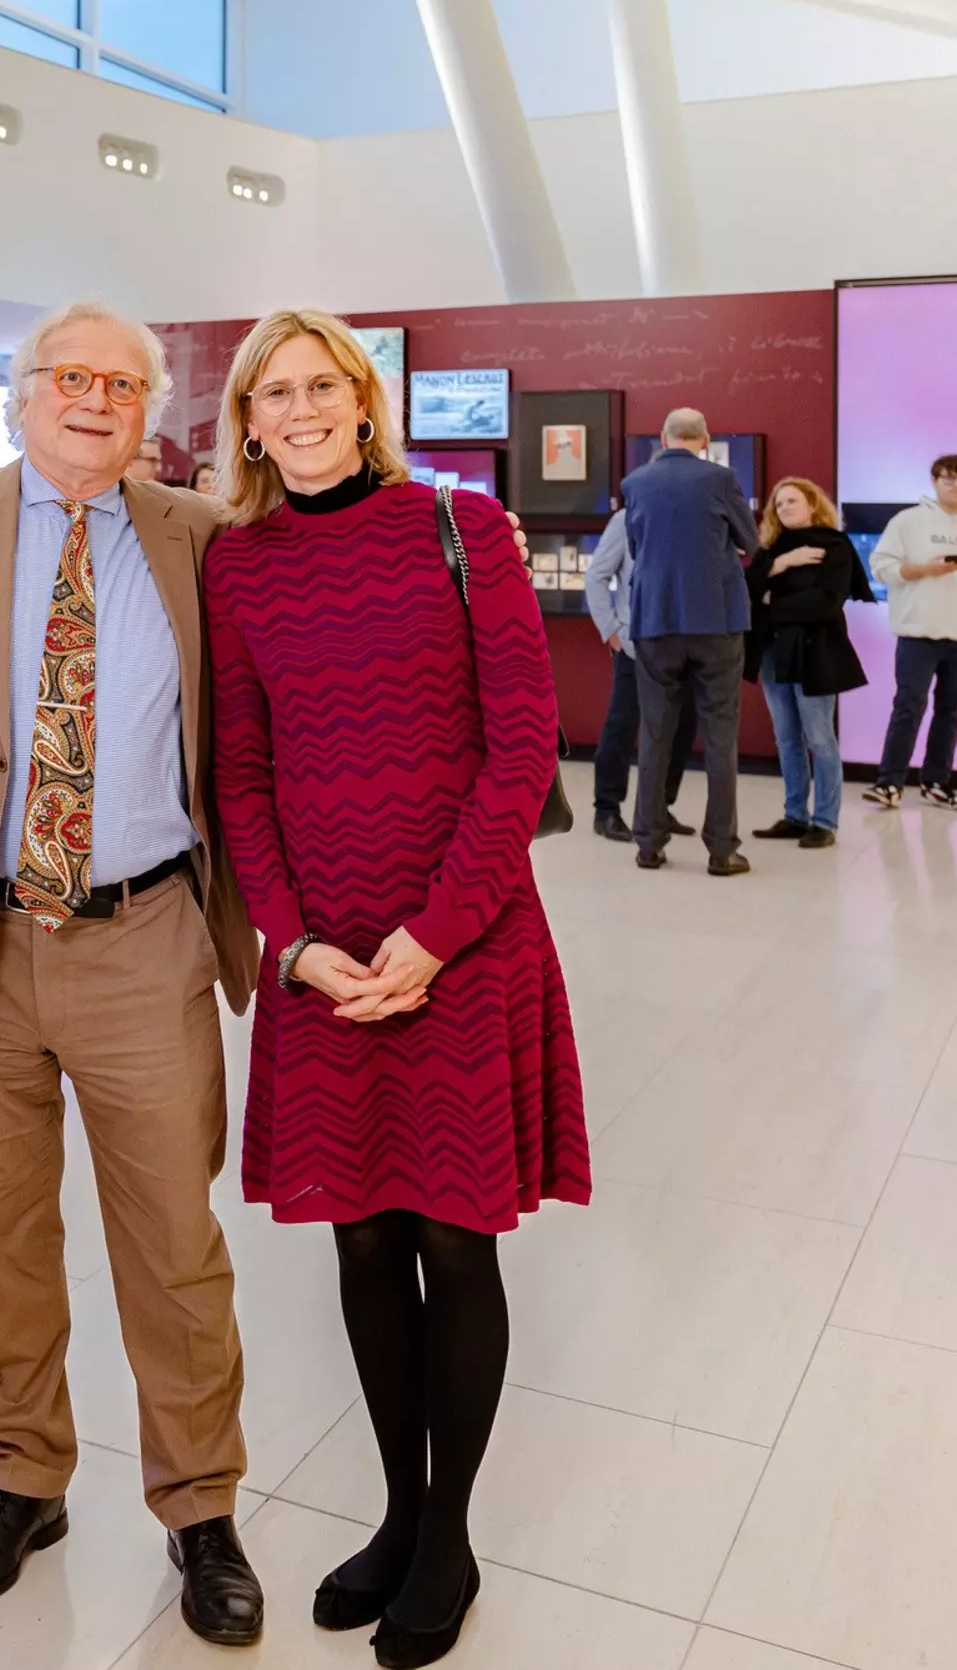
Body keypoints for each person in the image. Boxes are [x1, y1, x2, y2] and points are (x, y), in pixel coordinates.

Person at [0, 301, 267, 1647]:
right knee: (0, 1239)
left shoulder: (200, 539)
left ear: (149, 412)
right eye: (70, 376)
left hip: (144, 933)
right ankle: (25, 1473)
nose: (94, 397)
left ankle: (200, 1504)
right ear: (22, 395)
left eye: (122, 382)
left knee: (174, 1241)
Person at [205, 308, 590, 1668]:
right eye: (274, 392)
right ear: (246, 420)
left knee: (450, 1236)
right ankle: (400, 1506)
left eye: (323, 385)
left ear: (363, 402)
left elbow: (521, 746)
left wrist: (431, 935)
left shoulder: (459, 526)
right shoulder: (239, 566)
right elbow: (240, 774)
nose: (300, 409)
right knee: (361, 1236)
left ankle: (451, 1533)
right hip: (323, 952)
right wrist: (293, 940)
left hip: (462, 937)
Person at [620, 408, 757, 875]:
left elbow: (638, 549)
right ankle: (722, 849)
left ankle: (648, 844)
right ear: (704, 438)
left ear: (663, 437)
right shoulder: (721, 479)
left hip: (656, 619)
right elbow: (750, 540)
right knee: (720, 734)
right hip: (715, 621)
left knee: (655, 732)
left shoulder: (635, 483)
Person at [865, 454, 957, 812]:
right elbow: (881, 567)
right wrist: (924, 570)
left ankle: (936, 782)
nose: (955, 484)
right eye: (947, 478)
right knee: (908, 706)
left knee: (951, 711)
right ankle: (889, 783)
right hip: (918, 635)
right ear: (934, 481)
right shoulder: (908, 521)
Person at [746, 478, 870, 847]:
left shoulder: (836, 546)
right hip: (773, 653)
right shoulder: (770, 551)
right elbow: (744, 588)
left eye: (791, 501)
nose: (783, 508)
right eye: (778, 503)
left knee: (820, 738)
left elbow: (826, 603)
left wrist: (773, 603)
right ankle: (795, 815)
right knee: (786, 738)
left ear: (813, 504)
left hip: (816, 651)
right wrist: (781, 564)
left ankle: (825, 822)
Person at [583, 510, 695, 845]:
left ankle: (660, 807)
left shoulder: (693, 515)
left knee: (683, 728)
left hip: (685, 642)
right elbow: (597, 576)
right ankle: (607, 809)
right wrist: (611, 631)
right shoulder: (627, 517)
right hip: (635, 646)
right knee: (622, 725)